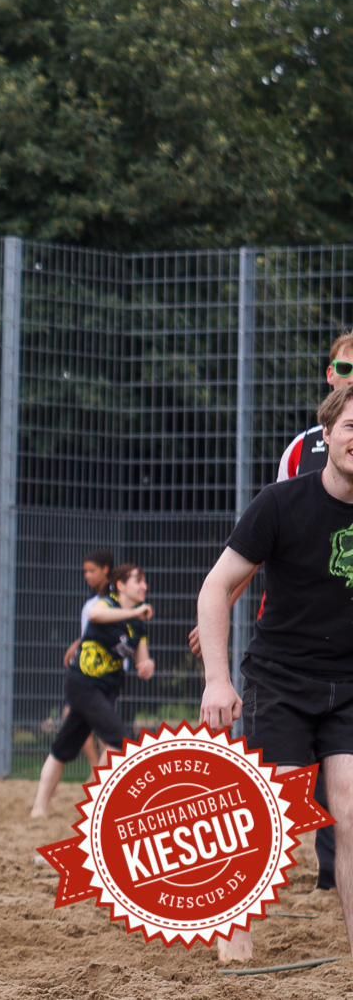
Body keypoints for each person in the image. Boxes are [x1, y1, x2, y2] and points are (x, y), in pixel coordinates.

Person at [190, 332, 353, 894]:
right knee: (271, 812)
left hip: (348, 680)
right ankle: (232, 948)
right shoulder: (285, 495)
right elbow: (225, 579)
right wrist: (217, 677)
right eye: (350, 427)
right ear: (326, 432)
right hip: (282, 672)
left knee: (349, 810)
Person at [30, 564, 155, 817]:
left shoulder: (139, 625)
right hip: (83, 685)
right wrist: (135, 612)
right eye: (138, 581)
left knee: (63, 747)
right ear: (120, 585)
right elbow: (96, 617)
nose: (144, 586)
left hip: (105, 691)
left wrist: (148, 665)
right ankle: (98, 805)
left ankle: (39, 809)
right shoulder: (106, 605)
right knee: (122, 741)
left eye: (144, 582)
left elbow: (143, 659)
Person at [55, 550, 116, 772]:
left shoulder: (113, 601)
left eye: (92, 571)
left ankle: (100, 773)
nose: (87, 576)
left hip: (102, 673)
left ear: (105, 570)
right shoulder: (93, 603)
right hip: (86, 671)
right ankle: (95, 769)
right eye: (85, 571)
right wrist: (77, 645)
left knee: (102, 729)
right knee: (75, 718)